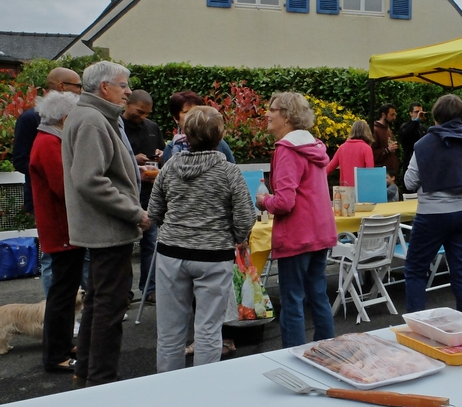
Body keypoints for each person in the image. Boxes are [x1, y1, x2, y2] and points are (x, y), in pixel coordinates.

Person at [61, 61, 150, 387]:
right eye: (123, 85)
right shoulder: (94, 121)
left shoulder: (93, 117)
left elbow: (93, 177)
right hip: (108, 231)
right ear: (104, 87)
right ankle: (101, 382)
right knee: (109, 309)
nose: (128, 91)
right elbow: (89, 180)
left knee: (99, 306)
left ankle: (86, 374)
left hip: (104, 230)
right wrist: (133, 211)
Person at [148, 107, 256, 371]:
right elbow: (246, 217)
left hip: (171, 253)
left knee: (170, 330)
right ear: (220, 135)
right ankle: (203, 391)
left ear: (185, 135)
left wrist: (175, 230)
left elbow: (154, 211)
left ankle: (166, 387)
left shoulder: (170, 166)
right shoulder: (229, 172)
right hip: (213, 255)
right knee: (209, 329)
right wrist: (234, 237)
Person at [256, 92, 337, 347]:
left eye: (272, 109)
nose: (267, 114)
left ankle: (293, 358)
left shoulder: (286, 150)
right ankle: (327, 350)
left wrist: (263, 201)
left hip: (296, 236)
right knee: (318, 295)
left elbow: (284, 202)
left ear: (287, 116)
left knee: (292, 300)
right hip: (321, 232)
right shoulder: (315, 147)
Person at [403, 94, 462, 314]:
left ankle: (417, 327)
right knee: (461, 270)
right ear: (461, 115)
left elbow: (409, 182)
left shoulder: (424, 144)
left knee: (415, 270)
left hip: (432, 214)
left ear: (436, 117)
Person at [13, 67, 83, 296]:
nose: (80, 90)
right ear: (62, 86)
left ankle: (76, 306)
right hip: (47, 201)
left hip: (59, 202)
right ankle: (55, 312)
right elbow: (22, 160)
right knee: (53, 261)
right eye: (77, 86)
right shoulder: (37, 125)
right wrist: (41, 174)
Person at [29, 90, 84, 374]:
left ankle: (61, 346)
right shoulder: (50, 143)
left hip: (61, 229)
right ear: (65, 118)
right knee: (62, 294)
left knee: (63, 292)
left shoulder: (48, 139)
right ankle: (57, 355)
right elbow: (65, 188)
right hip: (61, 229)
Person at [122, 90, 164, 304]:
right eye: (139, 112)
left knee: (151, 244)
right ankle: (124, 294)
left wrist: (159, 157)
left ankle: (150, 289)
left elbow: (163, 156)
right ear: (127, 104)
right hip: (126, 196)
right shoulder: (116, 127)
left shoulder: (152, 128)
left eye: (147, 113)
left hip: (149, 195)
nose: (143, 117)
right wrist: (132, 160)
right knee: (125, 247)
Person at [160, 91, 236, 164]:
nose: (192, 115)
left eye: (196, 111)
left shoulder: (217, 143)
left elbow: (232, 173)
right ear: (175, 118)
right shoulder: (171, 148)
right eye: (186, 112)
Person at [325, 120, 374, 187]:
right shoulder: (366, 148)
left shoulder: (342, 147)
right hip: (361, 189)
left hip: (345, 189)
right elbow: (370, 172)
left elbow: (329, 168)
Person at [397, 102, 426, 191]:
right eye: (416, 112)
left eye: (421, 112)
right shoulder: (406, 126)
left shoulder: (422, 128)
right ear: (410, 113)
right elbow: (405, 134)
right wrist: (415, 121)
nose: (419, 114)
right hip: (409, 161)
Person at [371, 103, 399, 175]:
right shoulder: (374, 130)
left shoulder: (388, 129)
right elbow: (372, 153)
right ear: (383, 115)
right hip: (380, 173)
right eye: (391, 115)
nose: (394, 117)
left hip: (390, 172)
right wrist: (387, 150)